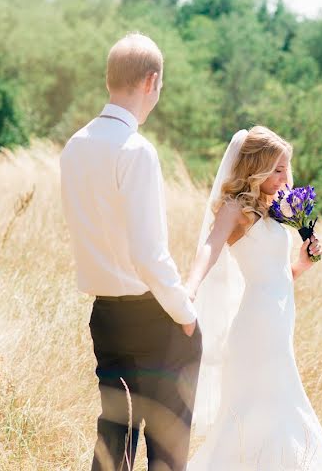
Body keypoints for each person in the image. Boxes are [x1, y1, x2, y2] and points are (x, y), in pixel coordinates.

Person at [59, 32, 201, 471]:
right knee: (167, 443)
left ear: (109, 80)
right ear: (151, 81)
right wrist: (185, 314)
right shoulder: (137, 151)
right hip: (152, 316)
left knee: (114, 436)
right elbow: (148, 253)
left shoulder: (75, 145)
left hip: (105, 314)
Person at [184, 126, 322, 470]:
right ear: (256, 166)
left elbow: (277, 277)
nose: (286, 177)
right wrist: (191, 287)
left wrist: (302, 263)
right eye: (278, 169)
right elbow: (210, 247)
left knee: (269, 412)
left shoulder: (269, 211)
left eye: (287, 168)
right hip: (257, 327)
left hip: (277, 322)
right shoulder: (235, 207)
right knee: (273, 407)